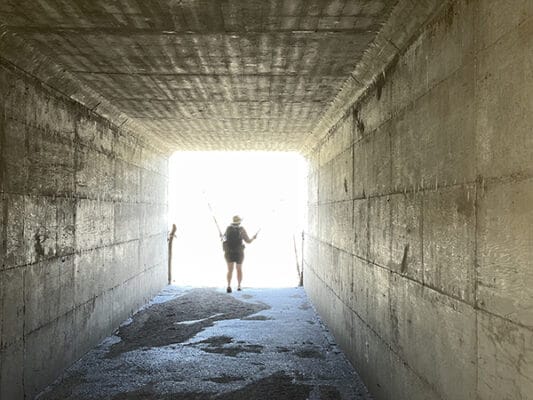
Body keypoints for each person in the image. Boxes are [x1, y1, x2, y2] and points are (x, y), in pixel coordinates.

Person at [222, 215, 257, 293]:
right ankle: (239, 286)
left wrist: (221, 236)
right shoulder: (241, 229)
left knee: (230, 270)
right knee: (239, 269)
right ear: (239, 222)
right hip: (239, 252)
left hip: (229, 252)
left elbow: (223, 238)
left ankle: (228, 285)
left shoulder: (228, 228)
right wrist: (253, 238)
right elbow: (248, 241)